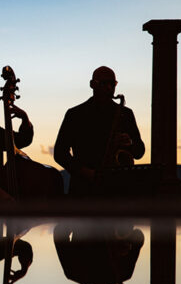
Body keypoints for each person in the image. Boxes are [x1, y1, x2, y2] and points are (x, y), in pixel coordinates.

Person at [54, 66, 145, 195]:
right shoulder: (75, 114)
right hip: (84, 188)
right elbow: (59, 153)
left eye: (112, 84)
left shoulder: (125, 114)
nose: (109, 88)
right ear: (92, 85)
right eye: (104, 83)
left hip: (118, 189)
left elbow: (139, 152)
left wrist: (130, 143)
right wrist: (85, 172)